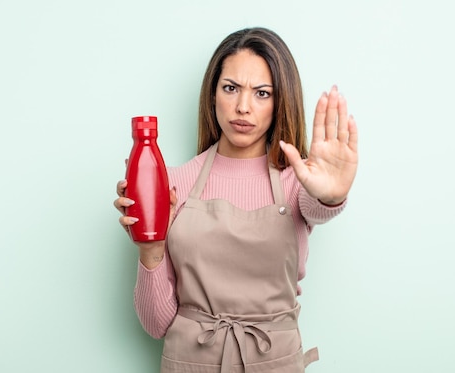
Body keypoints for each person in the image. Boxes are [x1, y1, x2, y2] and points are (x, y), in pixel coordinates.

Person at [113, 27, 358, 373]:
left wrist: (332, 195)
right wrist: (150, 250)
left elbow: (316, 206)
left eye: (261, 93)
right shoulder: (176, 185)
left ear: (280, 102)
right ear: (212, 95)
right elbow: (156, 325)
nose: (243, 107)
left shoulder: (297, 184)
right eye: (231, 88)